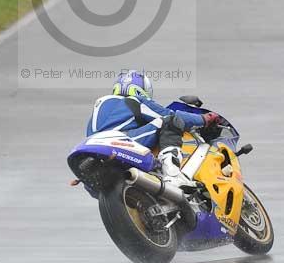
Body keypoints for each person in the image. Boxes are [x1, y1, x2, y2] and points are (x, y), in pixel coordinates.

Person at [86, 69, 221, 187]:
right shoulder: (135, 100)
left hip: (94, 152)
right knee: (170, 121)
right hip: (122, 141)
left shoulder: (99, 106)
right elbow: (169, 115)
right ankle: (173, 174)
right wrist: (204, 118)